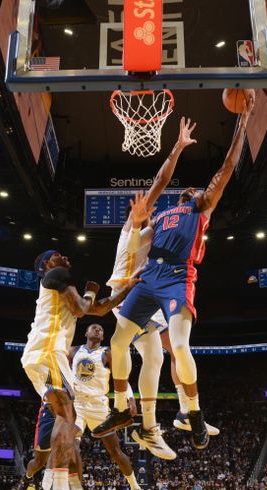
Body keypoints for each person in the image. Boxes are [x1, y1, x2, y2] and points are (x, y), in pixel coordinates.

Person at [94, 92, 256, 449]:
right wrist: (136, 226)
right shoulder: (161, 217)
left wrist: (242, 122)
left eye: (196, 189)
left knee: (177, 348)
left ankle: (191, 411)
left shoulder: (201, 209)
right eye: (190, 189)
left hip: (178, 278)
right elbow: (153, 197)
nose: (193, 189)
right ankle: (124, 408)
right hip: (145, 278)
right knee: (120, 344)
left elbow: (225, 170)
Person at [20, 249, 141, 490]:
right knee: (67, 415)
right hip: (48, 351)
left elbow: (98, 308)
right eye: (56, 254)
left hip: (47, 355)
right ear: (45, 264)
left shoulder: (60, 288)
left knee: (70, 425)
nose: (64, 257)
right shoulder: (56, 274)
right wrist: (89, 292)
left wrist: (128, 289)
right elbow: (82, 307)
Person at [19, 324, 147, 490]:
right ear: (86, 333)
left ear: (103, 336)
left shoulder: (108, 353)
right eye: (93, 327)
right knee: (66, 443)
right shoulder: (73, 351)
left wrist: (129, 398)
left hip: (99, 406)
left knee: (116, 452)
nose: (97, 329)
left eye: (100, 329)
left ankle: (136, 488)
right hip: (77, 404)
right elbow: (57, 366)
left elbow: (122, 379)